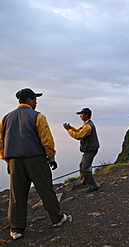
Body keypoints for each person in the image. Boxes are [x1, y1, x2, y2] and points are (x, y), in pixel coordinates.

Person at [0, 88, 67, 240]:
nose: (36, 102)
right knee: (46, 190)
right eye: (35, 99)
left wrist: (7, 159)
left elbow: (0, 143)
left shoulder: (5, 119)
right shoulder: (38, 116)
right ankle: (57, 219)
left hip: (14, 161)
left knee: (17, 194)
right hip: (35, 158)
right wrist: (51, 157)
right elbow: (46, 140)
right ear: (29, 100)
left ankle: (16, 228)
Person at [63, 108, 99, 193]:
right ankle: (83, 181)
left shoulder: (88, 126)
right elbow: (78, 131)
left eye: (81, 114)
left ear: (86, 115)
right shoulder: (87, 124)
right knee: (82, 165)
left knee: (85, 167)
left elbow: (78, 135)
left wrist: (69, 130)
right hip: (89, 149)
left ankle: (92, 186)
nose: (80, 116)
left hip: (90, 149)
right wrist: (70, 128)